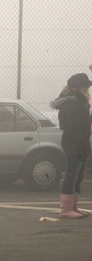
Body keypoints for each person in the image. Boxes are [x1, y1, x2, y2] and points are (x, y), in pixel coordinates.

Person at [50, 72, 92, 219]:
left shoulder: (79, 102)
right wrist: (81, 142)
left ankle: (73, 207)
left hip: (80, 141)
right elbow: (72, 126)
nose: (88, 89)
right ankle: (66, 209)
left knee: (77, 175)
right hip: (73, 142)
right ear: (80, 88)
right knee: (71, 174)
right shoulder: (72, 103)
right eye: (86, 86)